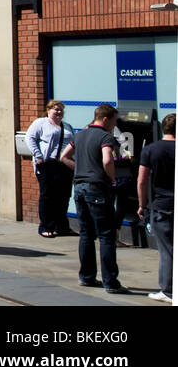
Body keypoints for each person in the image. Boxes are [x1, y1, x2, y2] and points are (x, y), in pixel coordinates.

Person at [62, 104, 125, 293]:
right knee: (106, 236)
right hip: (97, 188)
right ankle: (110, 282)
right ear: (105, 119)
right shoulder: (106, 137)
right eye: (114, 121)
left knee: (86, 233)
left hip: (79, 188)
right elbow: (107, 160)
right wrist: (111, 178)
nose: (115, 125)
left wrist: (80, 170)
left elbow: (64, 156)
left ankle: (87, 277)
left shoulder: (80, 135)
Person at [137, 113, 174, 302]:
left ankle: (168, 291)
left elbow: (142, 180)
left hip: (161, 205)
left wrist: (142, 204)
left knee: (167, 250)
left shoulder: (151, 150)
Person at [27, 99, 76, 238]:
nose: (59, 112)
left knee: (64, 196)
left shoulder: (67, 126)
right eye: (56, 109)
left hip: (64, 165)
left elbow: (73, 143)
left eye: (61, 109)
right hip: (47, 164)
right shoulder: (41, 123)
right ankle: (45, 226)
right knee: (47, 196)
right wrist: (38, 156)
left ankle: (62, 227)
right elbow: (30, 138)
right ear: (48, 110)